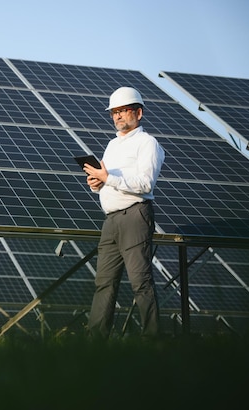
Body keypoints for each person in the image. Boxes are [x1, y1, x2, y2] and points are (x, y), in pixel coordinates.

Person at [82, 86, 165, 339]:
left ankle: (153, 340)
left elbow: (145, 183)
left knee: (140, 281)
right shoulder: (111, 145)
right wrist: (98, 183)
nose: (117, 116)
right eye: (114, 112)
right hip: (111, 220)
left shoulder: (147, 143)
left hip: (134, 216)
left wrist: (109, 178)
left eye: (123, 110)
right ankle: (96, 341)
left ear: (138, 113)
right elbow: (110, 180)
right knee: (104, 282)